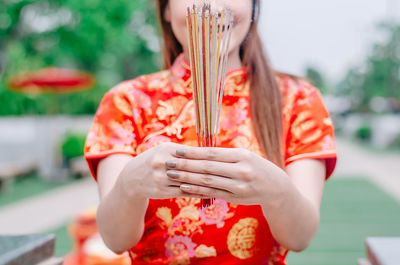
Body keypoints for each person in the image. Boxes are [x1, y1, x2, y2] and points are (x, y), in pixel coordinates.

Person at [84, 0, 337, 264]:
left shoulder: (296, 100)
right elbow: (115, 240)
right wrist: (130, 186)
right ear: (166, 10)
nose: (213, 8)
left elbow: (299, 238)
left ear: (253, 7)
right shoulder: (128, 101)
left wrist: (276, 189)